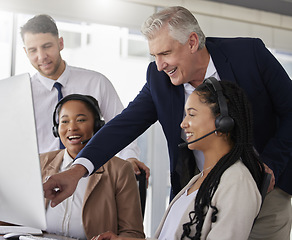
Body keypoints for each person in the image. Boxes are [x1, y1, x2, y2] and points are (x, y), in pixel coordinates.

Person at [43, 6, 292, 239]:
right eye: (154, 55)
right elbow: (123, 126)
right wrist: (76, 171)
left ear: (192, 42)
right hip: (199, 188)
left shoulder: (248, 55)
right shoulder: (158, 78)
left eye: (165, 53)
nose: (160, 65)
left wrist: (270, 165)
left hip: (265, 185)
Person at [94, 79, 265, 240]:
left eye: (191, 114)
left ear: (222, 121)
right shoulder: (202, 178)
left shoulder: (237, 183)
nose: (183, 124)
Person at [20, 14, 149, 178]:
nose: (41, 56)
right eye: (33, 50)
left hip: (93, 177)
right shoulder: (23, 95)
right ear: (25, 51)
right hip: (42, 180)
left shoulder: (97, 82)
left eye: (47, 46)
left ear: (60, 43)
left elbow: (121, 126)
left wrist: (129, 158)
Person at [41, 94, 145, 239]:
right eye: (64, 121)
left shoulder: (119, 170)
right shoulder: (41, 162)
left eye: (81, 120)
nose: (72, 127)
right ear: (56, 129)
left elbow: (133, 234)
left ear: (98, 126)